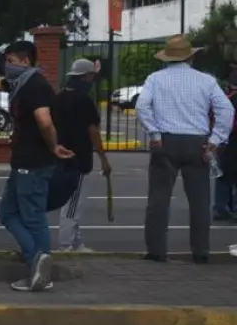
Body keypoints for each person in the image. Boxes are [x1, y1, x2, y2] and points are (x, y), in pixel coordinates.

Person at [0, 41, 75, 292]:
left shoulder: (36, 86)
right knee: (7, 213)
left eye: (11, 61)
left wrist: (53, 146)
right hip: (22, 162)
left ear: (26, 61)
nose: (7, 66)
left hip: (34, 163)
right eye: (6, 61)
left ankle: (40, 269)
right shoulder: (20, 83)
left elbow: (44, 119)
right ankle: (39, 260)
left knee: (32, 217)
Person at [136, 35, 234, 263]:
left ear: (167, 58)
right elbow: (226, 110)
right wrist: (216, 139)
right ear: (191, 57)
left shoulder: (155, 79)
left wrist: (154, 133)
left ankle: (156, 251)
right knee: (199, 200)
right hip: (197, 142)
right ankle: (200, 252)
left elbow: (142, 106)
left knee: (158, 199)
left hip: (165, 141)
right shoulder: (206, 81)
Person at [53, 58, 112, 252]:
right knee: (73, 204)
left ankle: (75, 241)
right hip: (79, 158)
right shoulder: (85, 101)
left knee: (73, 202)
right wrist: (103, 159)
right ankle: (66, 244)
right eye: (91, 78)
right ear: (86, 77)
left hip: (61, 156)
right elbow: (93, 131)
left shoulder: (59, 97)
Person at [213, 65, 237, 220]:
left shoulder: (226, 98)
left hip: (226, 139)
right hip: (232, 138)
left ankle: (221, 207)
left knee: (223, 175)